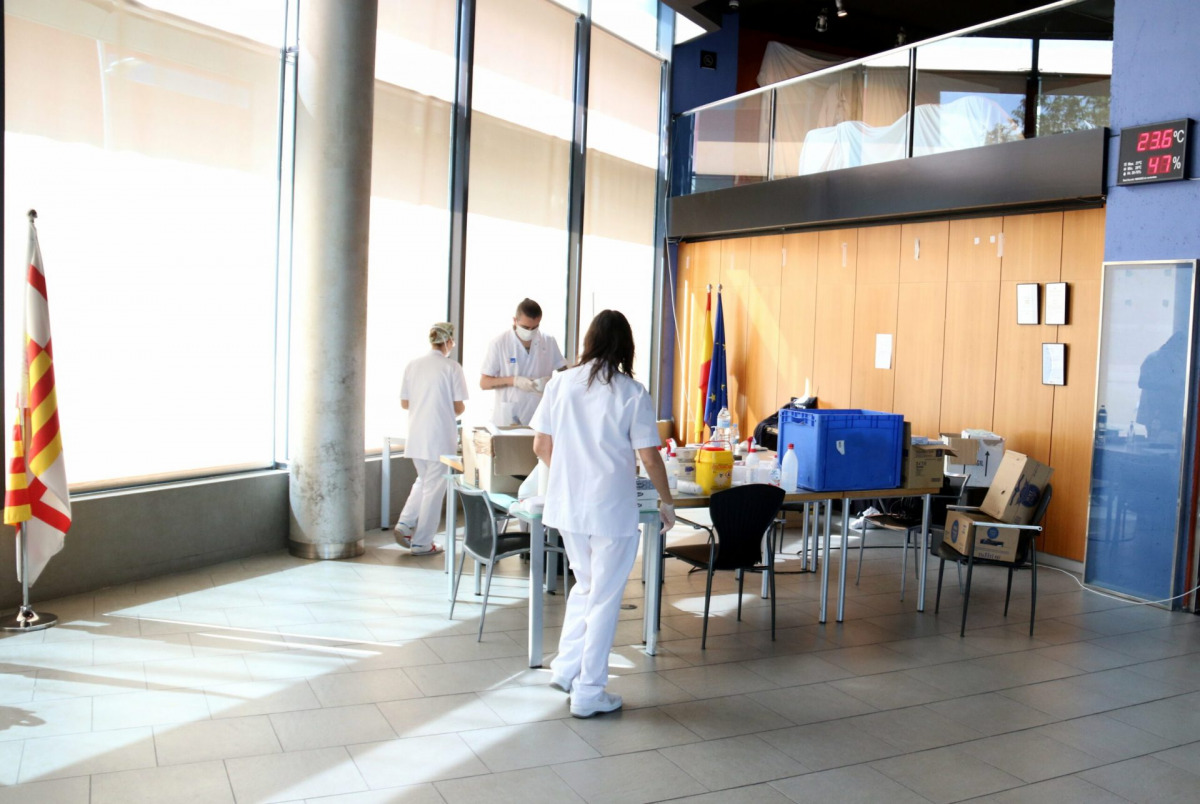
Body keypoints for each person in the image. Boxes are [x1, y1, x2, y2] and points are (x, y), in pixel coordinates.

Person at [530, 310, 675, 718]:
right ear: (626, 346)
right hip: (610, 509)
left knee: (586, 586)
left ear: (589, 341)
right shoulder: (632, 392)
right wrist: (666, 501)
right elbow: (649, 456)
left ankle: (565, 669)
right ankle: (590, 691)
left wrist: (571, 475)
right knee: (605, 597)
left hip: (568, 506)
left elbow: (540, 447)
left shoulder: (560, 383)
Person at [395, 322, 469, 556]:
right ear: (449, 341)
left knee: (424, 480)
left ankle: (405, 523)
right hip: (439, 437)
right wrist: (443, 407)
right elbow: (459, 407)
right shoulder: (451, 367)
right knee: (434, 489)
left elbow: (405, 403)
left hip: (416, 436)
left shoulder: (413, 365)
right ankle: (422, 543)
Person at [480, 298, 567, 426]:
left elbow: (566, 375)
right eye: (525, 327)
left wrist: (550, 382)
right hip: (508, 417)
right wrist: (514, 381)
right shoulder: (499, 343)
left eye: (535, 327)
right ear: (515, 320)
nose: (530, 331)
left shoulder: (549, 341)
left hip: (539, 416)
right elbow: (484, 383)